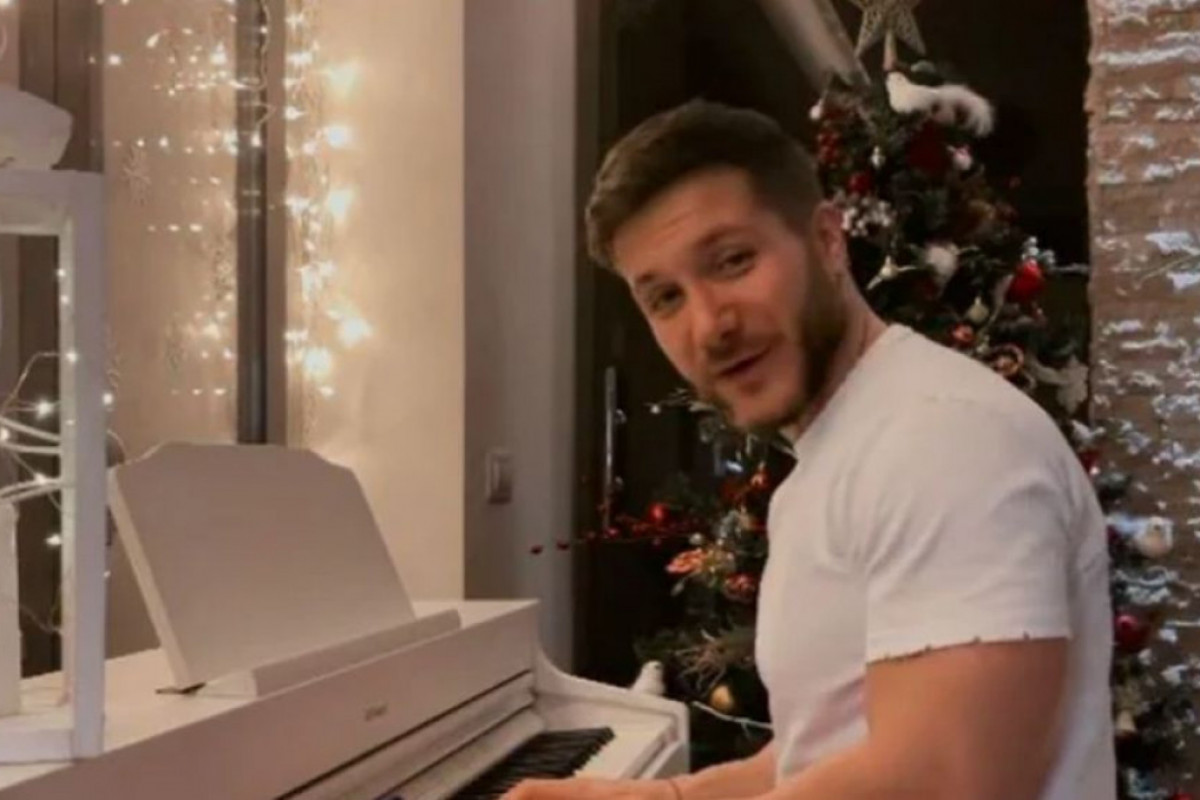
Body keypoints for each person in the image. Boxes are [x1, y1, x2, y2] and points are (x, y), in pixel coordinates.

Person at [503, 101, 1115, 800]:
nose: (709, 325)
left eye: (733, 261)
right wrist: (657, 798)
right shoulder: (845, 448)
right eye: (666, 297)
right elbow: (815, 753)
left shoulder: (944, 436)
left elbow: (948, 782)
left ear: (827, 240)